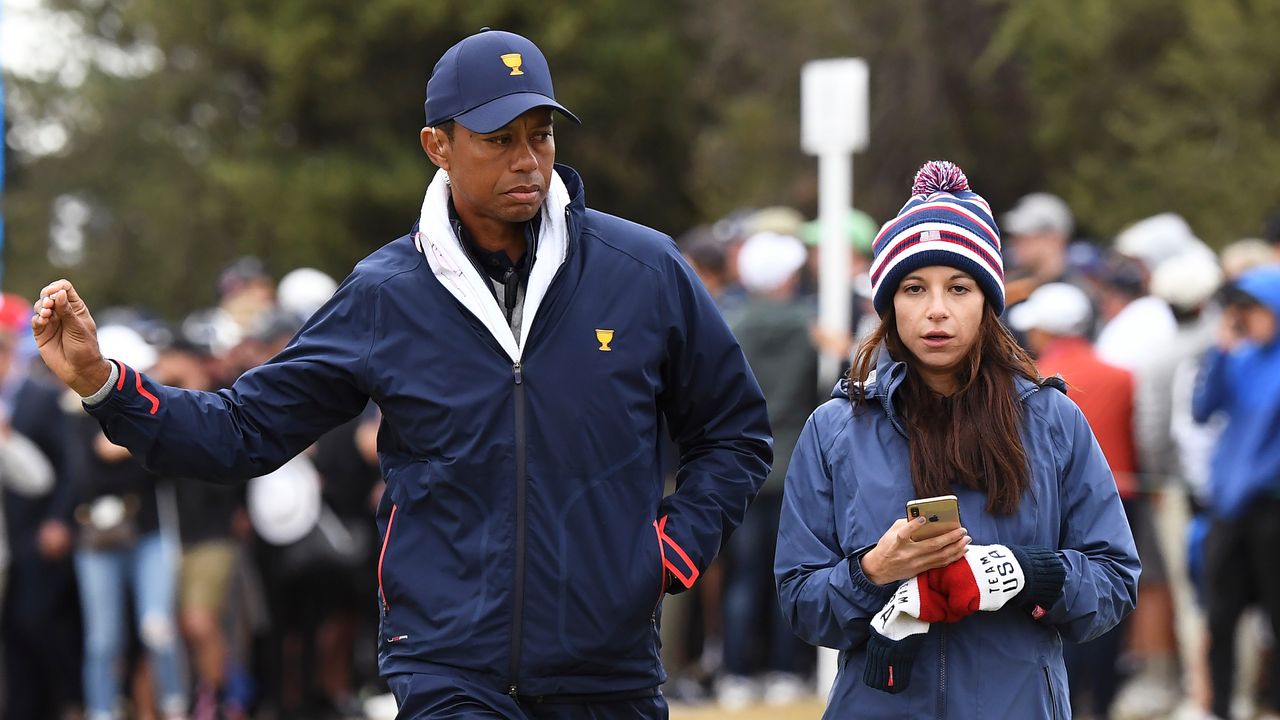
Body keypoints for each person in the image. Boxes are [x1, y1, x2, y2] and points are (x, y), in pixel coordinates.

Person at [32, 28, 771, 720]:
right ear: (437, 145)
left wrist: (672, 547)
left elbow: (735, 432)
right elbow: (242, 432)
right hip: (448, 667)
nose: (528, 160)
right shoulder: (386, 294)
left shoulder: (642, 271)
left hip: (609, 669)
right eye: (498, 139)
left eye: (540, 135)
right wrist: (104, 382)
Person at [774, 161, 1139, 719]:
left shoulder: (1051, 419)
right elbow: (801, 602)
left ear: (988, 303)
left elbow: (1114, 579)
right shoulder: (835, 427)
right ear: (889, 302)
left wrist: (1027, 573)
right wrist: (873, 571)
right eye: (915, 288)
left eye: (959, 287)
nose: (936, 309)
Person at [1192, 264, 1280, 720]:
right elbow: (1203, 409)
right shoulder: (1241, 357)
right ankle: (1220, 709)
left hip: (1271, 509)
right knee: (1220, 617)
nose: (1246, 317)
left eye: (1254, 308)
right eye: (1240, 309)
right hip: (1230, 508)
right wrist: (1220, 351)